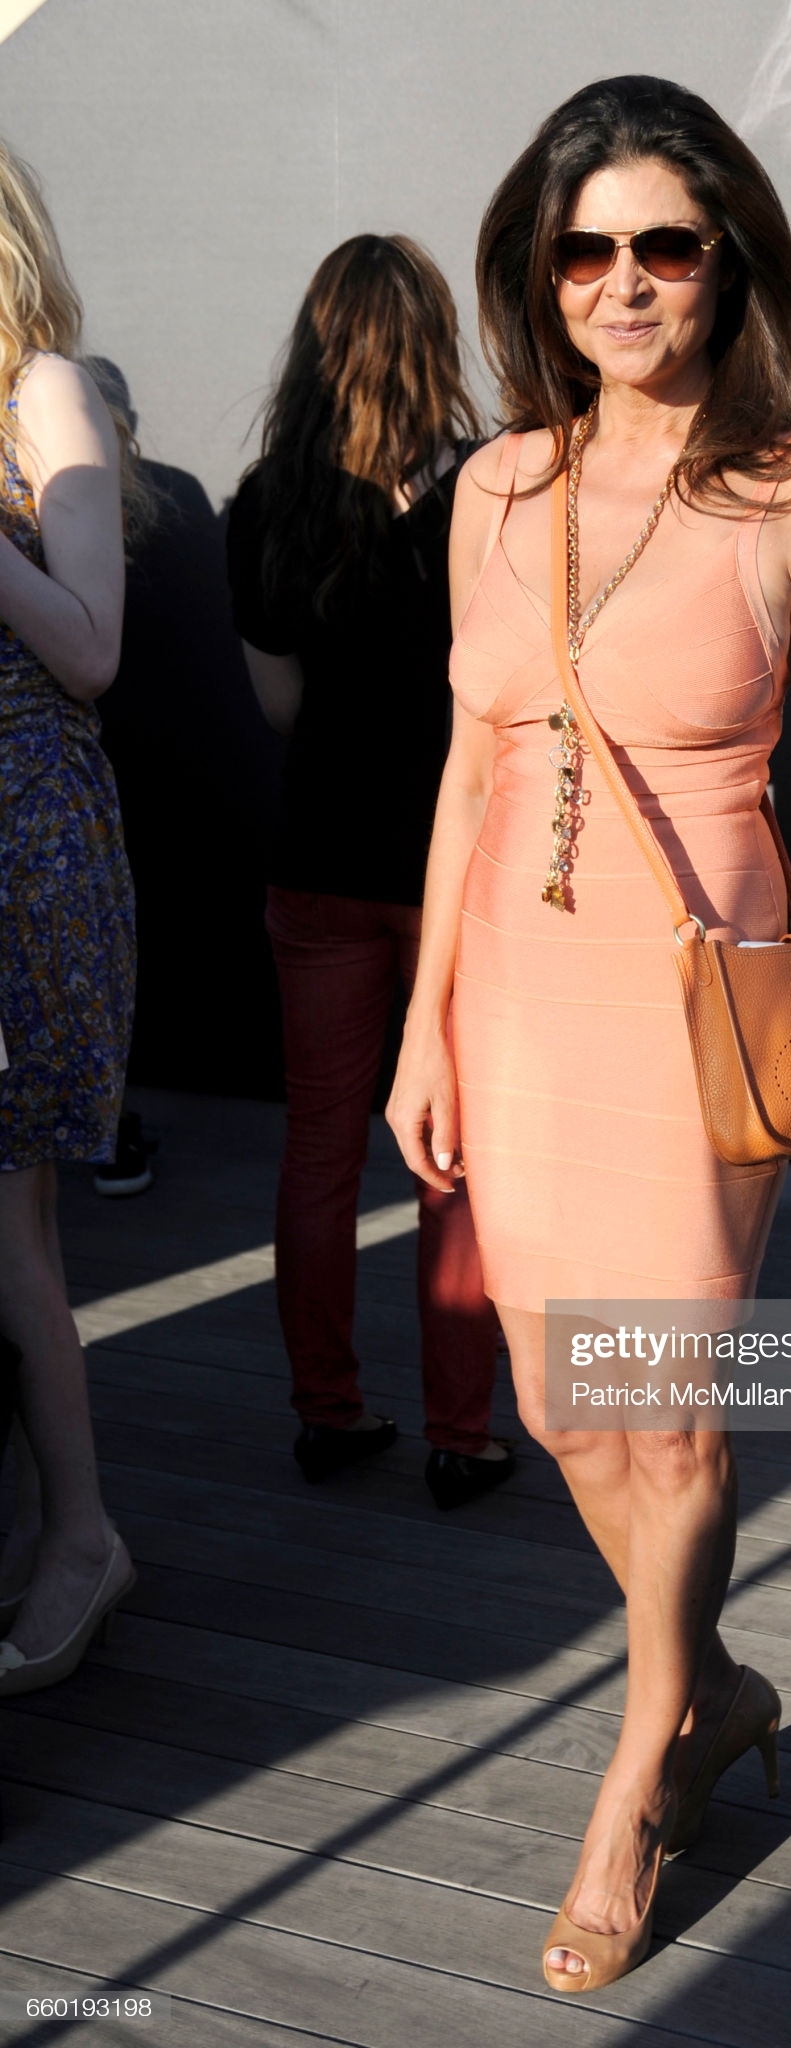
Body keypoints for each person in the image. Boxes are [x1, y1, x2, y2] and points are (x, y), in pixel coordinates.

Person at [386, 75, 791, 1991]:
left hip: (700, 1000)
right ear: (542, 272)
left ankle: (637, 1773)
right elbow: (468, 770)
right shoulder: (496, 487)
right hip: (517, 997)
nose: (622, 282)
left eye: (663, 246)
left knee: (666, 1410)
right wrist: (426, 1023)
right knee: (559, 1405)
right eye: (584, 249)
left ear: (725, 262)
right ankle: (717, 1678)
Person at [225, 235, 512, 1511]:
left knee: (320, 1153)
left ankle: (326, 1412)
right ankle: (463, 1432)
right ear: (435, 343)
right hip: (456, 877)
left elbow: (282, 707)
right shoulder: (492, 494)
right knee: (454, 1153)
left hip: (319, 867)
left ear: (314, 346)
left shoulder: (265, 504)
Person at [0, 141, 145, 1694]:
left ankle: (80, 1537)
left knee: (12, 1224)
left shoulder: (40, 389)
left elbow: (94, 648)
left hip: (23, 842)